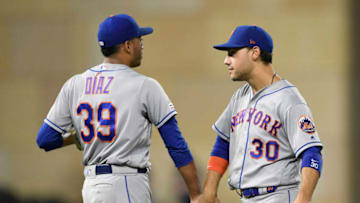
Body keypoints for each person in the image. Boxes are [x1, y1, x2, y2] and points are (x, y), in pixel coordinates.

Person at [36, 14, 201, 203]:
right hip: (126, 183)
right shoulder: (144, 86)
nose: (142, 44)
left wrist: (76, 137)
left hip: (91, 186)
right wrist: (196, 193)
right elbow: (176, 145)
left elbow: (45, 139)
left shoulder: (76, 84)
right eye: (139, 39)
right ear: (128, 45)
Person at [198, 25, 323, 203]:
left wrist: (303, 197)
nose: (226, 60)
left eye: (232, 53)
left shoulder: (288, 99)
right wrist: (210, 190)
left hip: (278, 195)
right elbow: (223, 141)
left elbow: (312, 152)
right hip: (246, 197)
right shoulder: (239, 97)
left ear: (255, 52)